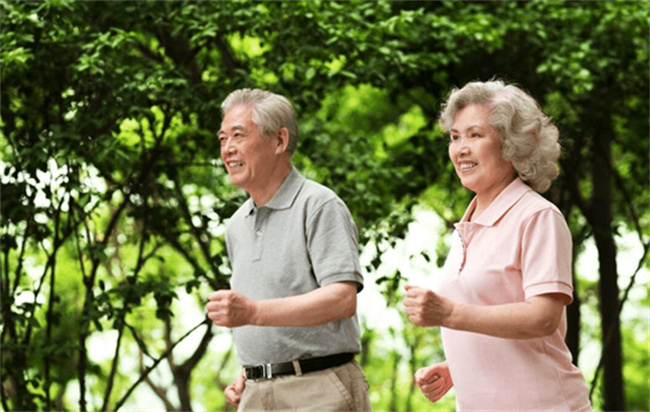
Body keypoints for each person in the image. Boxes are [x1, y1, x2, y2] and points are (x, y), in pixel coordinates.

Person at [403, 80, 592, 411]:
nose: (461, 148)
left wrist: (448, 313)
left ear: (512, 144)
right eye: (455, 136)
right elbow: (495, 314)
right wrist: (457, 369)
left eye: (475, 135)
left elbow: (542, 318)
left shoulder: (537, 216)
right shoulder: (467, 225)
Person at [205, 88, 370, 411]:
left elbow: (342, 298)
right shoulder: (236, 225)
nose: (228, 149)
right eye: (223, 139)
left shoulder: (319, 205)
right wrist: (253, 370)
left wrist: (252, 312)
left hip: (319, 389)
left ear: (279, 141)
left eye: (238, 136)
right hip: (255, 393)